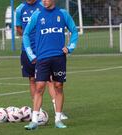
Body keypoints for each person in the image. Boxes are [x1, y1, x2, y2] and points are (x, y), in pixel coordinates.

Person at [23, 0, 78, 130]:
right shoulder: (37, 15)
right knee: (39, 87)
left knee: (58, 86)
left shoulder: (63, 14)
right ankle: (34, 121)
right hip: (42, 58)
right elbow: (25, 34)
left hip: (59, 57)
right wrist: (31, 54)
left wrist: (70, 47)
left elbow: (74, 31)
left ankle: (58, 120)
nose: (44, 1)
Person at [16, 0, 68, 119]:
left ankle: (57, 110)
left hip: (44, 49)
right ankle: (37, 112)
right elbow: (19, 29)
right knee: (32, 80)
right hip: (27, 50)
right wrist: (28, 39)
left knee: (50, 80)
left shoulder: (43, 6)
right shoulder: (19, 9)